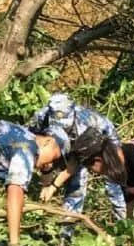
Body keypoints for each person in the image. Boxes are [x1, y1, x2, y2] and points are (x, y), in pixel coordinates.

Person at [29, 94, 126, 235]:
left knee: (101, 183)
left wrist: (53, 187)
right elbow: (36, 148)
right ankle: (65, 235)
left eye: (65, 126)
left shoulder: (85, 123)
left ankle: (123, 226)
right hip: (69, 146)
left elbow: (75, 163)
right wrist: (46, 183)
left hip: (103, 143)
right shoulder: (41, 118)